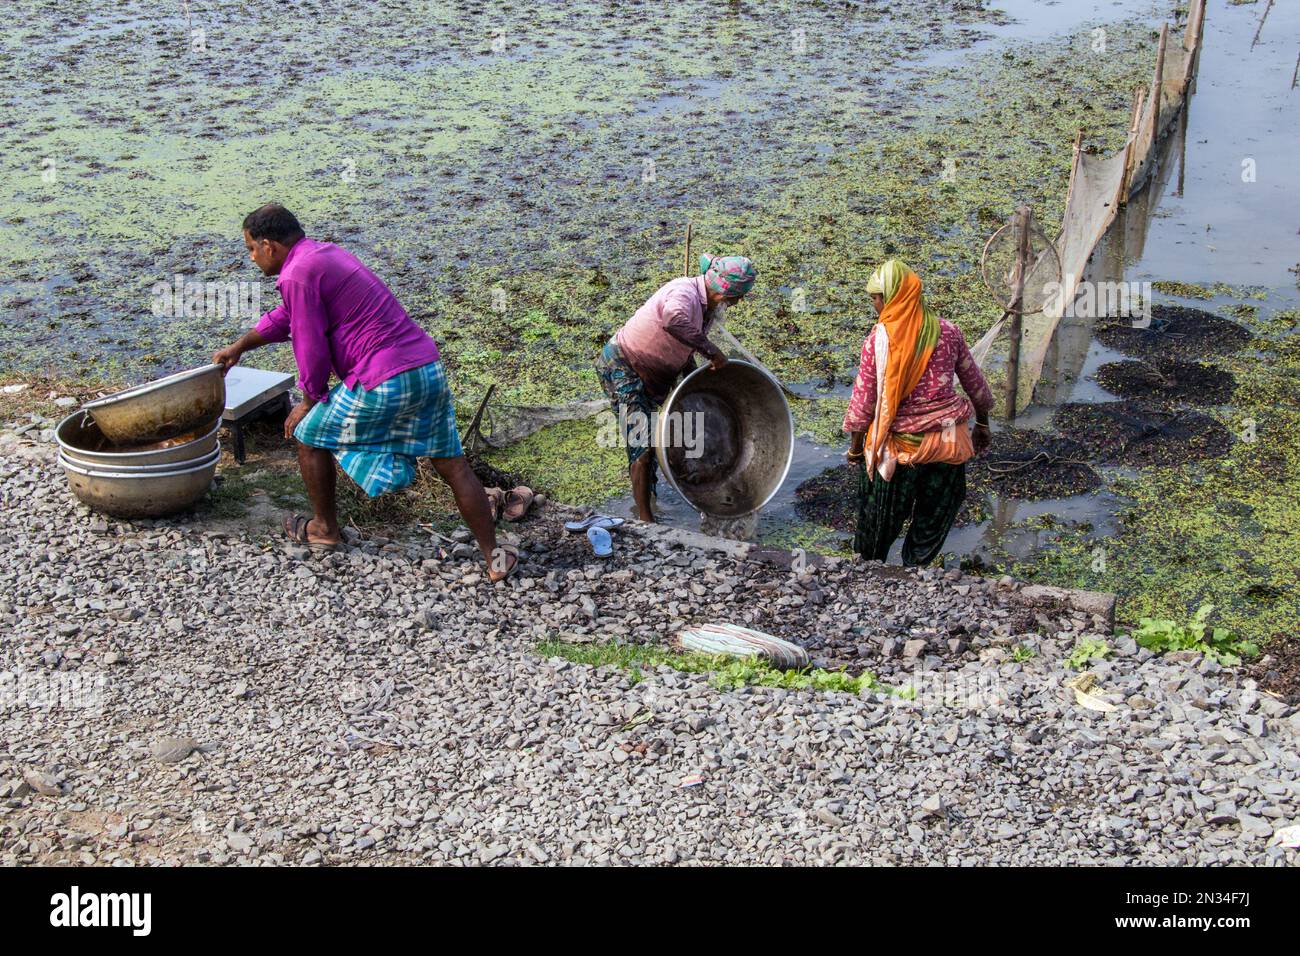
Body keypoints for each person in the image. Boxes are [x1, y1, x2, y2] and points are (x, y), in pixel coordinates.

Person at [212, 203, 514, 581]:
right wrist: (241, 345)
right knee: (453, 465)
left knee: (308, 435)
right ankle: (494, 556)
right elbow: (289, 316)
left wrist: (308, 400)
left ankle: (324, 529)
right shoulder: (324, 255)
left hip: (384, 379)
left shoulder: (297, 275)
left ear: (269, 245)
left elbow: (310, 345)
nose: (252, 258)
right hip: (426, 368)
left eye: (251, 249)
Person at [844, 259, 993, 566]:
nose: (873, 304)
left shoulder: (879, 341)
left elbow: (864, 403)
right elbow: (976, 385)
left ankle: (871, 572)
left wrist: (857, 449)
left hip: (900, 447)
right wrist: (982, 424)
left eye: (876, 297)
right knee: (934, 515)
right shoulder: (948, 332)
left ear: (894, 298)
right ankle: (917, 570)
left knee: (878, 522)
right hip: (948, 440)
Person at [595, 254, 756, 522]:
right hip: (623, 365)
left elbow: (684, 344)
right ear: (724, 288)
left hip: (654, 374)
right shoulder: (685, 292)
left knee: (655, 441)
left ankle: (648, 501)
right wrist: (712, 352)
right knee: (642, 447)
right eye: (737, 295)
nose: (737, 302)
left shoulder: (707, 308)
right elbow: (673, 321)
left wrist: (699, 383)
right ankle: (646, 522)